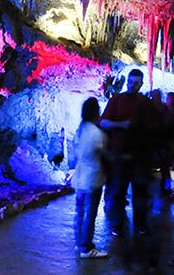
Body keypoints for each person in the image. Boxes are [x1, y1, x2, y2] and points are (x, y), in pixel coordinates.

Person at [100, 68, 158, 237]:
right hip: (121, 153)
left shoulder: (146, 103)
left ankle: (139, 223)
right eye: (130, 82)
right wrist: (122, 125)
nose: (132, 85)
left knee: (139, 191)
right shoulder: (117, 100)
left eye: (136, 83)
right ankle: (117, 224)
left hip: (140, 154)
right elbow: (104, 122)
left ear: (141, 84)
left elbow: (156, 126)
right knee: (119, 190)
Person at [70, 97, 109, 259]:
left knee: (80, 212)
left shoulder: (80, 130)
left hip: (80, 177)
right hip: (92, 177)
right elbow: (104, 153)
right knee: (90, 214)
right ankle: (86, 248)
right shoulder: (96, 133)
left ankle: (79, 242)